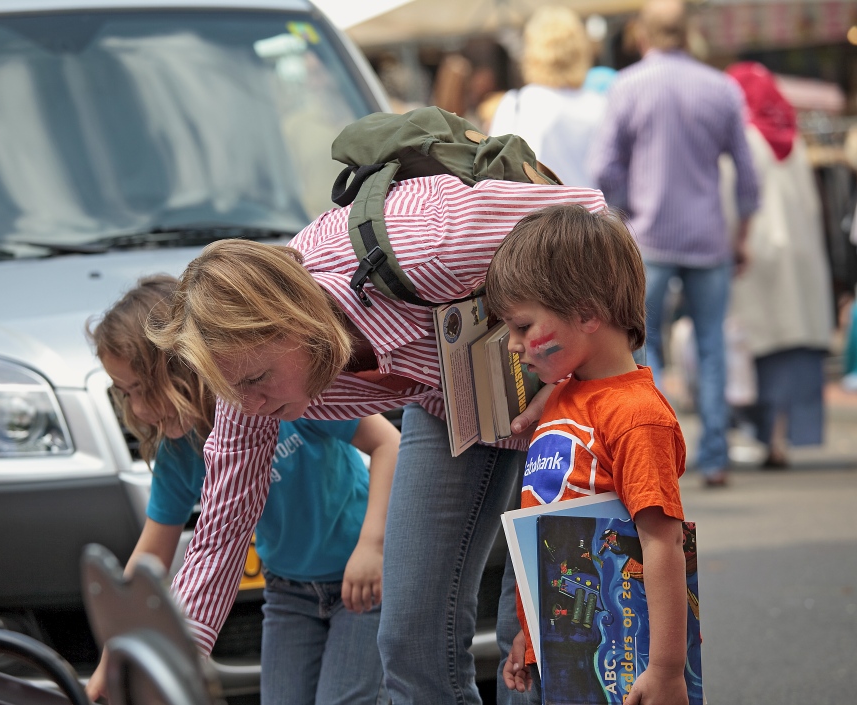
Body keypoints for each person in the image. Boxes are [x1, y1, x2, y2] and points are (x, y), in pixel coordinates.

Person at [146, 175, 607, 704]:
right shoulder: (245, 390)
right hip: (451, 397)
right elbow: (220, 533)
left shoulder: (431, 246)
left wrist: (570, 380)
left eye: (256, 381)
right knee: (410, 641)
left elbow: (588, 216)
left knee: (538, 634)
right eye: (232, 389)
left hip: (570, 372)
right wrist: (164, 665)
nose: (250, 407)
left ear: (295, 324)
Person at [85, 275, 400, 705]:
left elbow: (389, 444)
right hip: (288, 592)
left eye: (143, 388)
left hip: (360, 585)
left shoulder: (277, 397)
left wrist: (372, 548)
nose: (138, 409)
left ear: (184, 362)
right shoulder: (179, 453)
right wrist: (113, 654)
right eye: (126, 394)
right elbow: (150, 556)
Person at [484, 204, 689, 704]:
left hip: (618, 664)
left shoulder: (636, 416)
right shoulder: (563, 396)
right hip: (559, 652)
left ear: (588, 314)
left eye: (523, 326)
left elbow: (663, 545)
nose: (512, 345)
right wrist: (530, 639)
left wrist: (665, 671)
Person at [589, 0, 760, 488]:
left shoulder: (628, 86)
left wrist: (628, 210)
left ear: (644, 35)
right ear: (689, 35)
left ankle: (661, 451)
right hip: (709, 237)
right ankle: (716, 456)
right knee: (711, 345)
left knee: (645, 344)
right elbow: (747, 176)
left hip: (650, 238)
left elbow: (603, 167)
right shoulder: (721, 88)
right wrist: (741, 232)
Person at [722, 62, 834, 468]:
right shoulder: (795, 139)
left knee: (756, 353)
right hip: (801, 258)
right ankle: (781, 438)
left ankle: (761, 436)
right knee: (790, 352)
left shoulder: (743, 137)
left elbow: (733, 198)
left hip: (757, 253)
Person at [488, 5, 606, 188]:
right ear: (581, 50)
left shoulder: (516, 104)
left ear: (532, 51)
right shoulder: (600, 105)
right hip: (593, 212)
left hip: (535, 214)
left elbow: (492, 173)